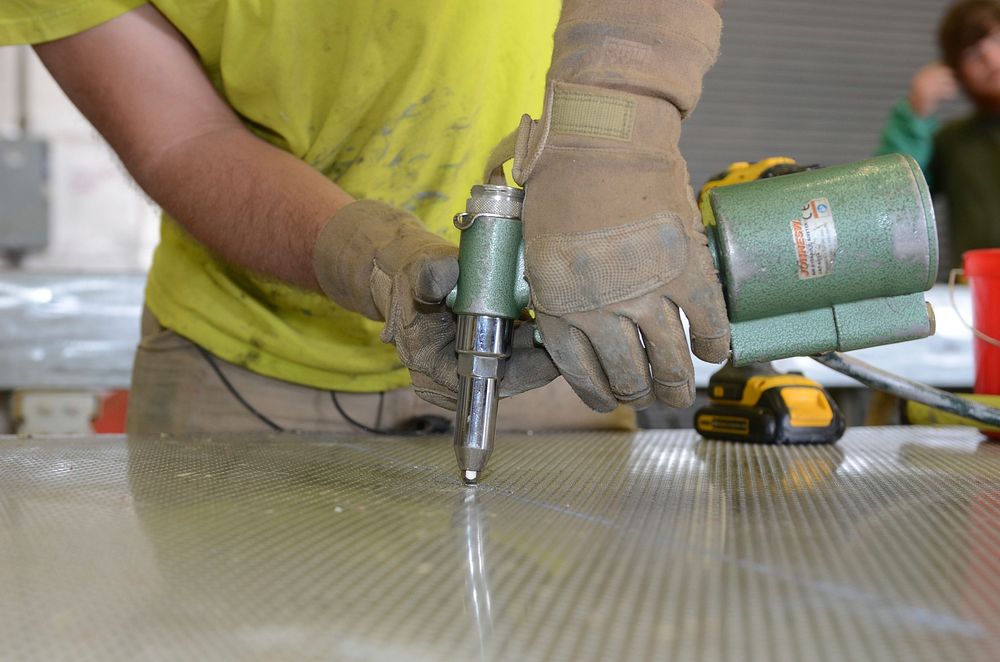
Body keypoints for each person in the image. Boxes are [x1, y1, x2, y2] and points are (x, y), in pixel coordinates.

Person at [0, 0, 729, 435]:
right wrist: (369, 256)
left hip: (551, 355)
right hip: (240, 369)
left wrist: (612, 133)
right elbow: (182, 137)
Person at [877, 0, 1000, 272]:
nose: (990, 59)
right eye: (972, 53)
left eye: (996, 38)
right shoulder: (955, 142)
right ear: (956, 74)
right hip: (979, 294)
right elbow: (889, 203)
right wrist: (914, 115)